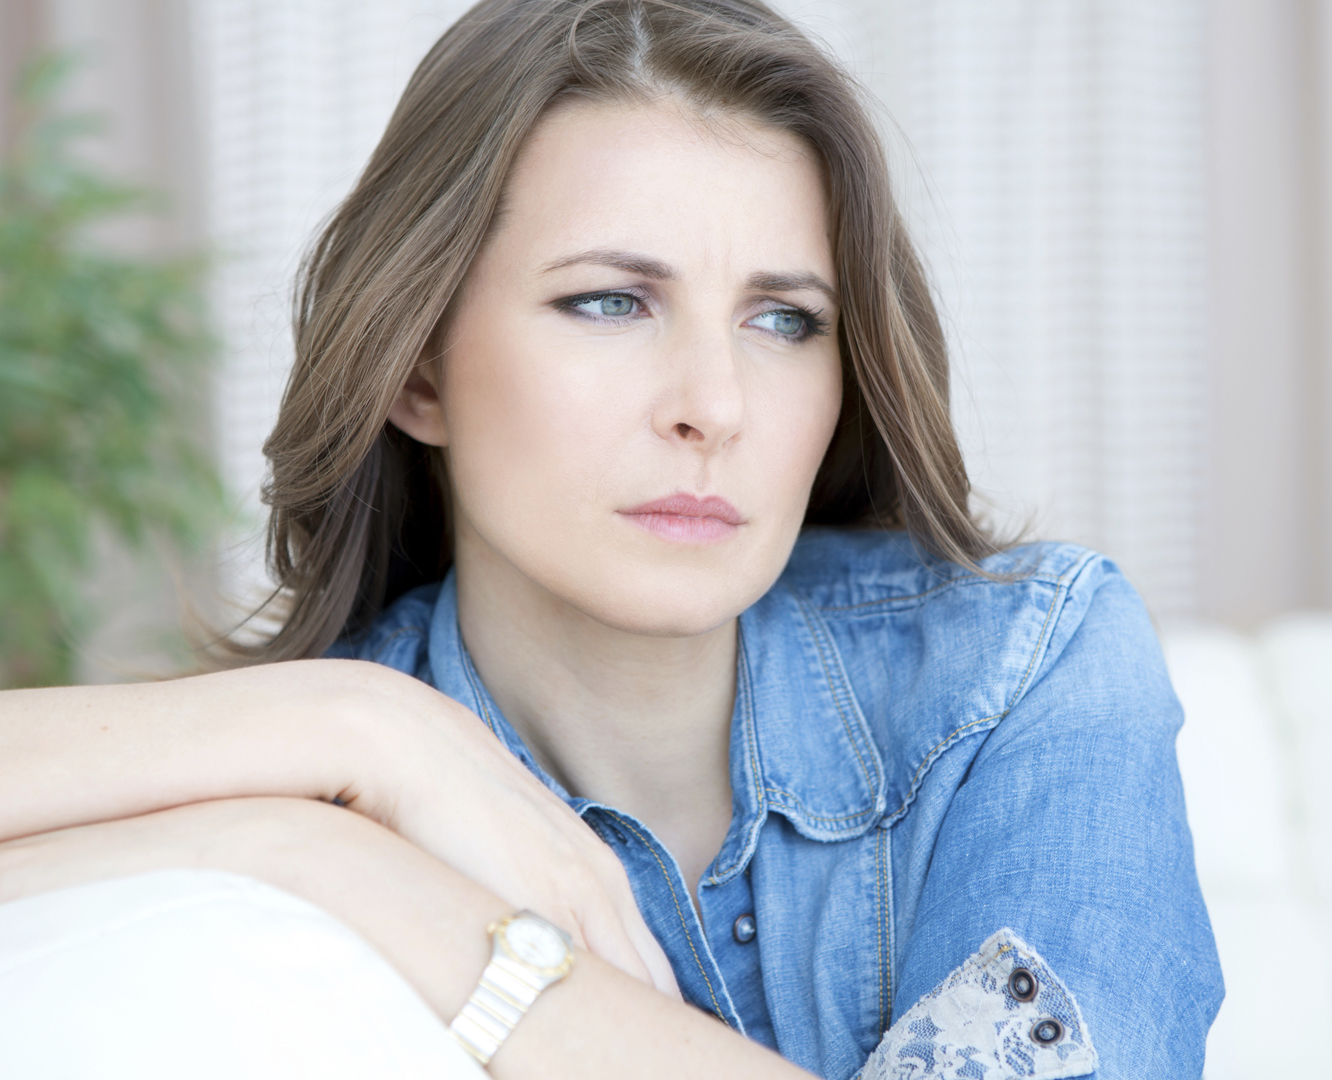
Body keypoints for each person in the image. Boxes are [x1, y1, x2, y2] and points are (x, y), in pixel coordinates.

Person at [0, 1, 1223, 1077]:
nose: (716, 404)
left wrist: (371, 891)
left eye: (785, 320)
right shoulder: (338, 758)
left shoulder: (1021, 669)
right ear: (418, 368)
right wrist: (344, 747)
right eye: (609, 301)